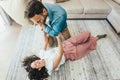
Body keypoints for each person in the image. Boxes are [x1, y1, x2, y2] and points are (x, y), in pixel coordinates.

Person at [22, 31, 107, 80]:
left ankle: (88, 37)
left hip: (66, 44)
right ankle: (96, 38)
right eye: (36, 64)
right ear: (39, 68)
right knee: (87, 45)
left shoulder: (42, 55)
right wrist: (58, 39)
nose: (36, 61)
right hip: (69, 53)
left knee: (87, 33)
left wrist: (44, 32)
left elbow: (45, 42)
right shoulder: (50, 67)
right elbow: (60, 54)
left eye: (34, 62)